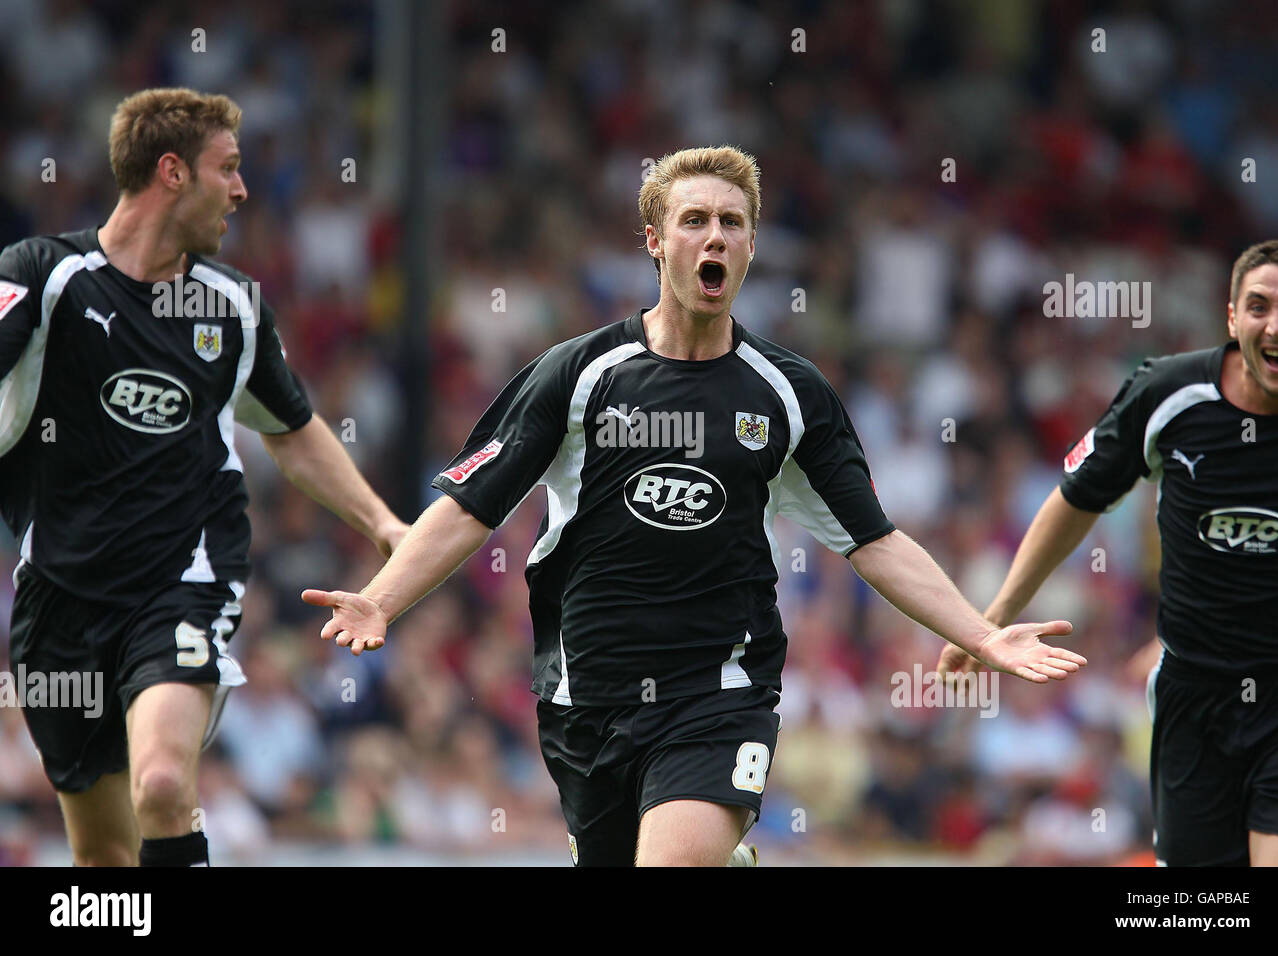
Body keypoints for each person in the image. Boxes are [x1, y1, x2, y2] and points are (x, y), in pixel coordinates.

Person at [304, 146, 1085, 867]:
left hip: (720, 689)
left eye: (732, 223)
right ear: (654, 240)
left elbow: (875, 541)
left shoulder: (787, 394)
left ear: (750, 246)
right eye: (695, 221)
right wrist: (381, 600)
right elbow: (471, 507)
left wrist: (982, 633)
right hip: (589, 698)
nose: (715, 237)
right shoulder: (576, 375)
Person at [0, 88, 408, 866]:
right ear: (172, 173)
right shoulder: (46, 277)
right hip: (56, 596)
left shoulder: (232, 308)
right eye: (229, 169)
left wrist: (385, 526)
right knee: (103, 861)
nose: (243, 190)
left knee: (159, 784)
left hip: (181, 584)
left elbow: (292, 432)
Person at [938, 239, 1278, 867]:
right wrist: (992, 617)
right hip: (1194, 694)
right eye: (1260, 306)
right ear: (1232, 318)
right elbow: (1075, 502)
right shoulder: (1168, 395)